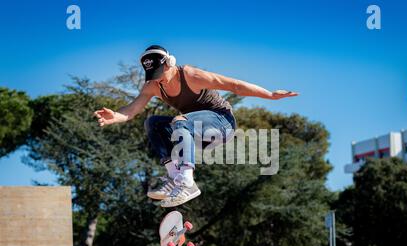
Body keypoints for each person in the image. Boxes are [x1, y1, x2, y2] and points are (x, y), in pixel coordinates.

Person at [94, 45, 297, 207]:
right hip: (194, 132)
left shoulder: (190, 75)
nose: (159, 80)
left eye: (160, 73)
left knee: (180, 121)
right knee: (152, 123)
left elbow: (234, 85)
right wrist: (117, 116)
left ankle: (187, 182)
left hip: (222, 124)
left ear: (169, 63)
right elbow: (133, 109)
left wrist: (270, 95)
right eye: (153, 76)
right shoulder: (153, 86)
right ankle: (175, 177)